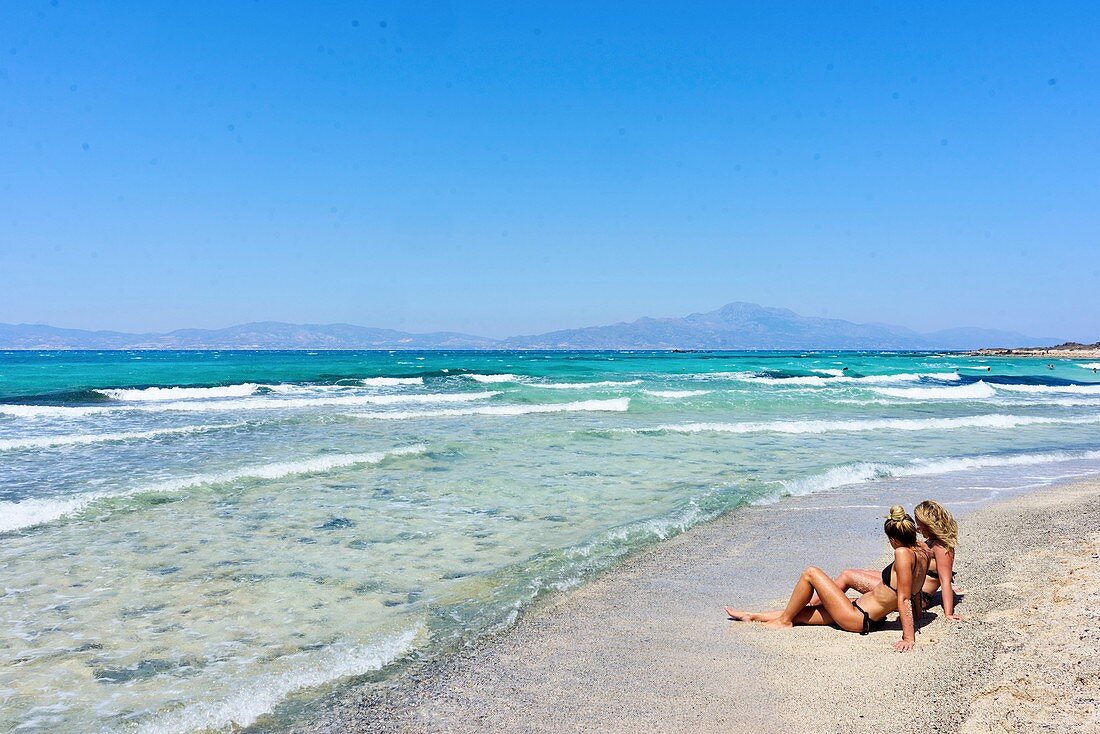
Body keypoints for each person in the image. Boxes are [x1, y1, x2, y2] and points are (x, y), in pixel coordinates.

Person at [724, 506, 929, 652]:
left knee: (811, 573)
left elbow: (903, 598)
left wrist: (908, 637)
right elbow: (915, 591)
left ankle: (784, 622)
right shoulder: (923, 551)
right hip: (864, 615)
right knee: (803, 614)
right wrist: (919, 616)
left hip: (857, 618)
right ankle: (751, 616)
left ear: (893, 539)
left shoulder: (902, 554)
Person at [824, 500, 962, 621]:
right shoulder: (932, 541)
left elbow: (945, 581)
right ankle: (817, 600)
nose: (918, 529)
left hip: (918, 597)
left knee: (847, 576)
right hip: (913, 588)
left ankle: (812, 604)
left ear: (930, 523)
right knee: (856, 572)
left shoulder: (942, 547)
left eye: (920, 524)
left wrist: (948, 613)